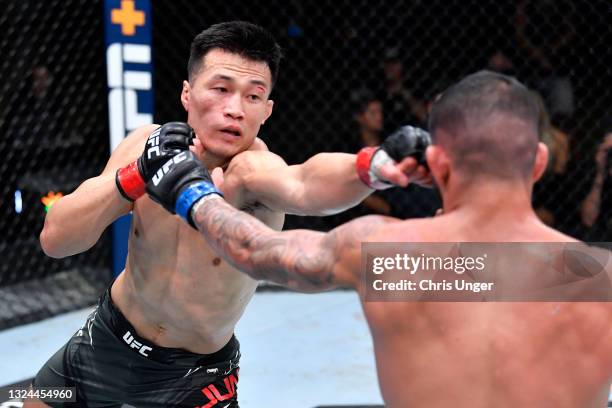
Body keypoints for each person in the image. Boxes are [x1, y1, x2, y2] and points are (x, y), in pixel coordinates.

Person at [146, 71, 612, 407]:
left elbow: (257, 251)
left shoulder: (393, 256)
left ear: (438, 163)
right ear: (537, 163)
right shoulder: (599, 279)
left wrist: (192, 193)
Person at [27, 21, 429, 408]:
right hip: (106, 341)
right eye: (220, 89)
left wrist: (372, 166)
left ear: (267, 110)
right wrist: (136, 176)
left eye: (252, 96)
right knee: (36, 402)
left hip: (194, 377)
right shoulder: (144, 146)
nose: (235, 109)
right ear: (187, 93)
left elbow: (306, 183)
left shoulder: (253, 173)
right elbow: (55, 240)